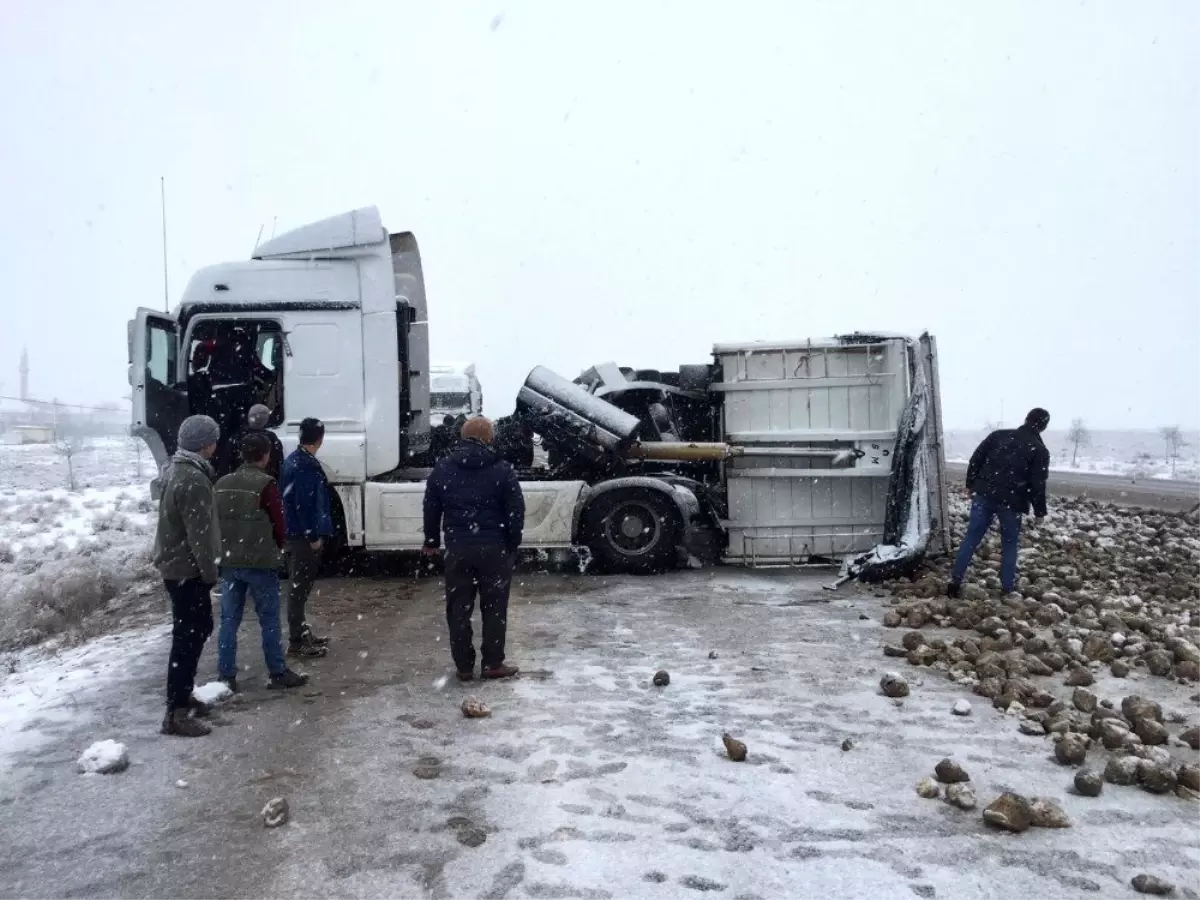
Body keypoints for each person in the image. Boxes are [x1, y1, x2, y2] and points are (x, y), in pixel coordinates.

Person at [422, 416, 525, 681]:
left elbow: (431, 506)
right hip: (495, 549)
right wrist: (512, 544)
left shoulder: (443, 468)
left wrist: (432, 541)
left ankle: (464, 666)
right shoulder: (502, 469)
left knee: (458, 609)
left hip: (458, 549)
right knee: (495, 608)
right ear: (489, 438)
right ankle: (493, 664)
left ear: (462, 437)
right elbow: (516, 511)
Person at [214, 432, 309, 692]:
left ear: (241, 455)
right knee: (269, 619)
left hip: (230, 563)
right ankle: (277, 672)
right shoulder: (266, 484)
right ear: (266, 455)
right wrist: (279, 547)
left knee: (229, 619)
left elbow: (212, 522)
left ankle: (226, 676)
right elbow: (280, 524)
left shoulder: (221, 483)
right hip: (261, 562)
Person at [153, 415, 222, 738]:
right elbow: (201, 534)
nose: (216, 445)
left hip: (175, 566)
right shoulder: (193, 479)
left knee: (194, 630)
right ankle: (176, 712)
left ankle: (183, 696)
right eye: (213, 440)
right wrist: (210, 572)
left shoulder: (175, 471)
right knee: (188, 636)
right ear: (205, 444)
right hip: (186, 568)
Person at [947, 408, 1052, 598]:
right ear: (1043, 427)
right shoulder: (1040, 450)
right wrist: (1039, 511)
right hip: (1012, 502)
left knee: (971, 537)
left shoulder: (998, 436)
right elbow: (1038, 483)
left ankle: (954, 582)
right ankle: (1006, 588)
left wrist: (971, 484)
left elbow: (976, 459)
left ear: (1026, 418)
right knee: (1010, 543)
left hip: (985, 494)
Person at [280, 417, 332, 657]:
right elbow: (304, 504)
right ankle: (296, 641)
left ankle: (300, 633)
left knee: (299, 588)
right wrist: (312, 534)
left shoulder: (295, 460)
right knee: (299, 588)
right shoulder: (305, 465)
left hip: (294, 534)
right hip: (301, 537)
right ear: (320, 438)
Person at [229, 403, 284, 480]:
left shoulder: (237, 437)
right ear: (266, 419)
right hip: (265, 483)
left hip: (238, 482)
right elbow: (278, 466)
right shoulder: (272, 439)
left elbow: (228, 464)